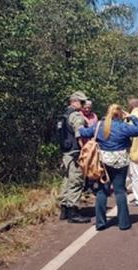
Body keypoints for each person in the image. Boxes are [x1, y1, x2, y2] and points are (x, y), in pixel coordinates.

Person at [79, 104, 138, 230]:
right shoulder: (124, 126)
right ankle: (124, 223)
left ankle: (100, 223)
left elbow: (84, 132)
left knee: (102, 191)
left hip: (104, 162)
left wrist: (80, 125)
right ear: (120, 114)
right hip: (121, 161)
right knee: (120, 191)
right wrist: (132, 117)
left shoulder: (100, 125)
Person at [57, 91, 91, 224]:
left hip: (65, 153)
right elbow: (79, 135)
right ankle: (73, 211)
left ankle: (64, 209)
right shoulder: (76, 116)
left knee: (66, 180)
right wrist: (84, 151)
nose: (84, 105)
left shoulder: (63, 116)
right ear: (75, 101)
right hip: (75, 153)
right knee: (76, 181)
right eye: (82, 102)